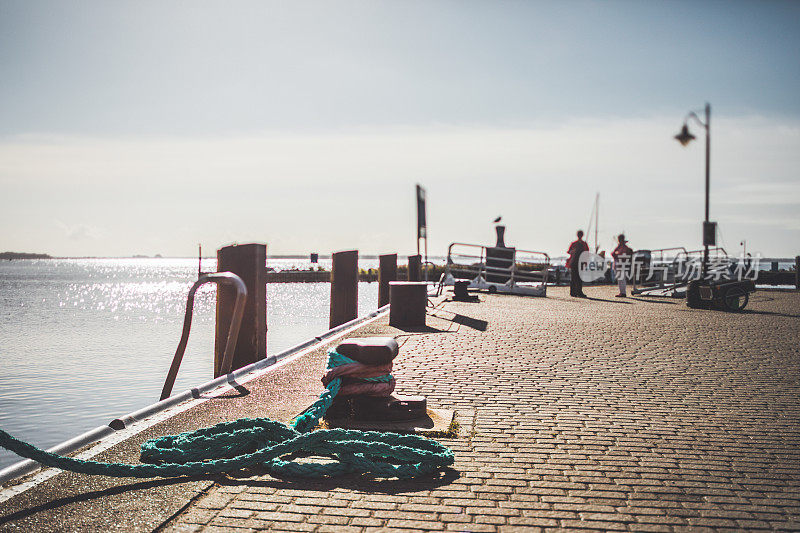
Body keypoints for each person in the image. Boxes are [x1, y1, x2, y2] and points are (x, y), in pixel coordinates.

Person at [567, 230, 589, 297]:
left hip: (580, 262)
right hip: (574, 262)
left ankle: (578, 292)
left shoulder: (584, 244)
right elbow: (569, 251)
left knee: (578, 278)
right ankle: (574, 292)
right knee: (574, 278)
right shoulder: (575, 243)